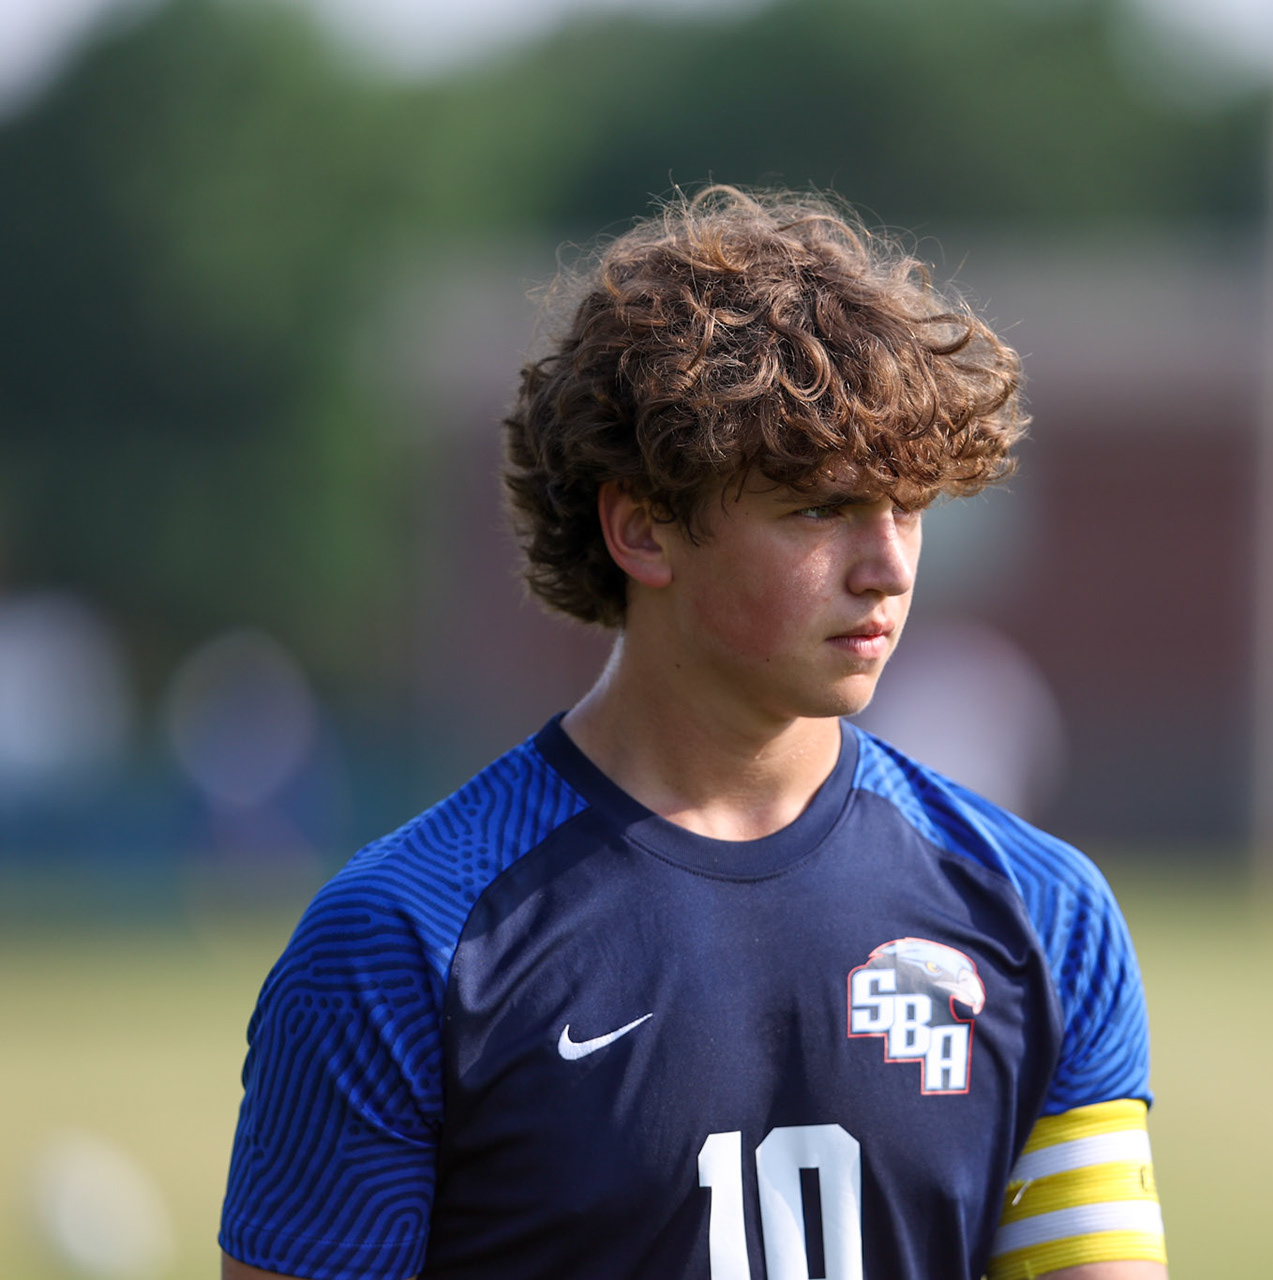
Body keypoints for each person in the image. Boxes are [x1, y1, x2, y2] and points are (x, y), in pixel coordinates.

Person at [217, 186, 1165, 1280]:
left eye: (908, 507)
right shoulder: (401, 945)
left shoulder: (1045, 918)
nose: (890, 565)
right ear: (642, 527)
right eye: (820, 508)